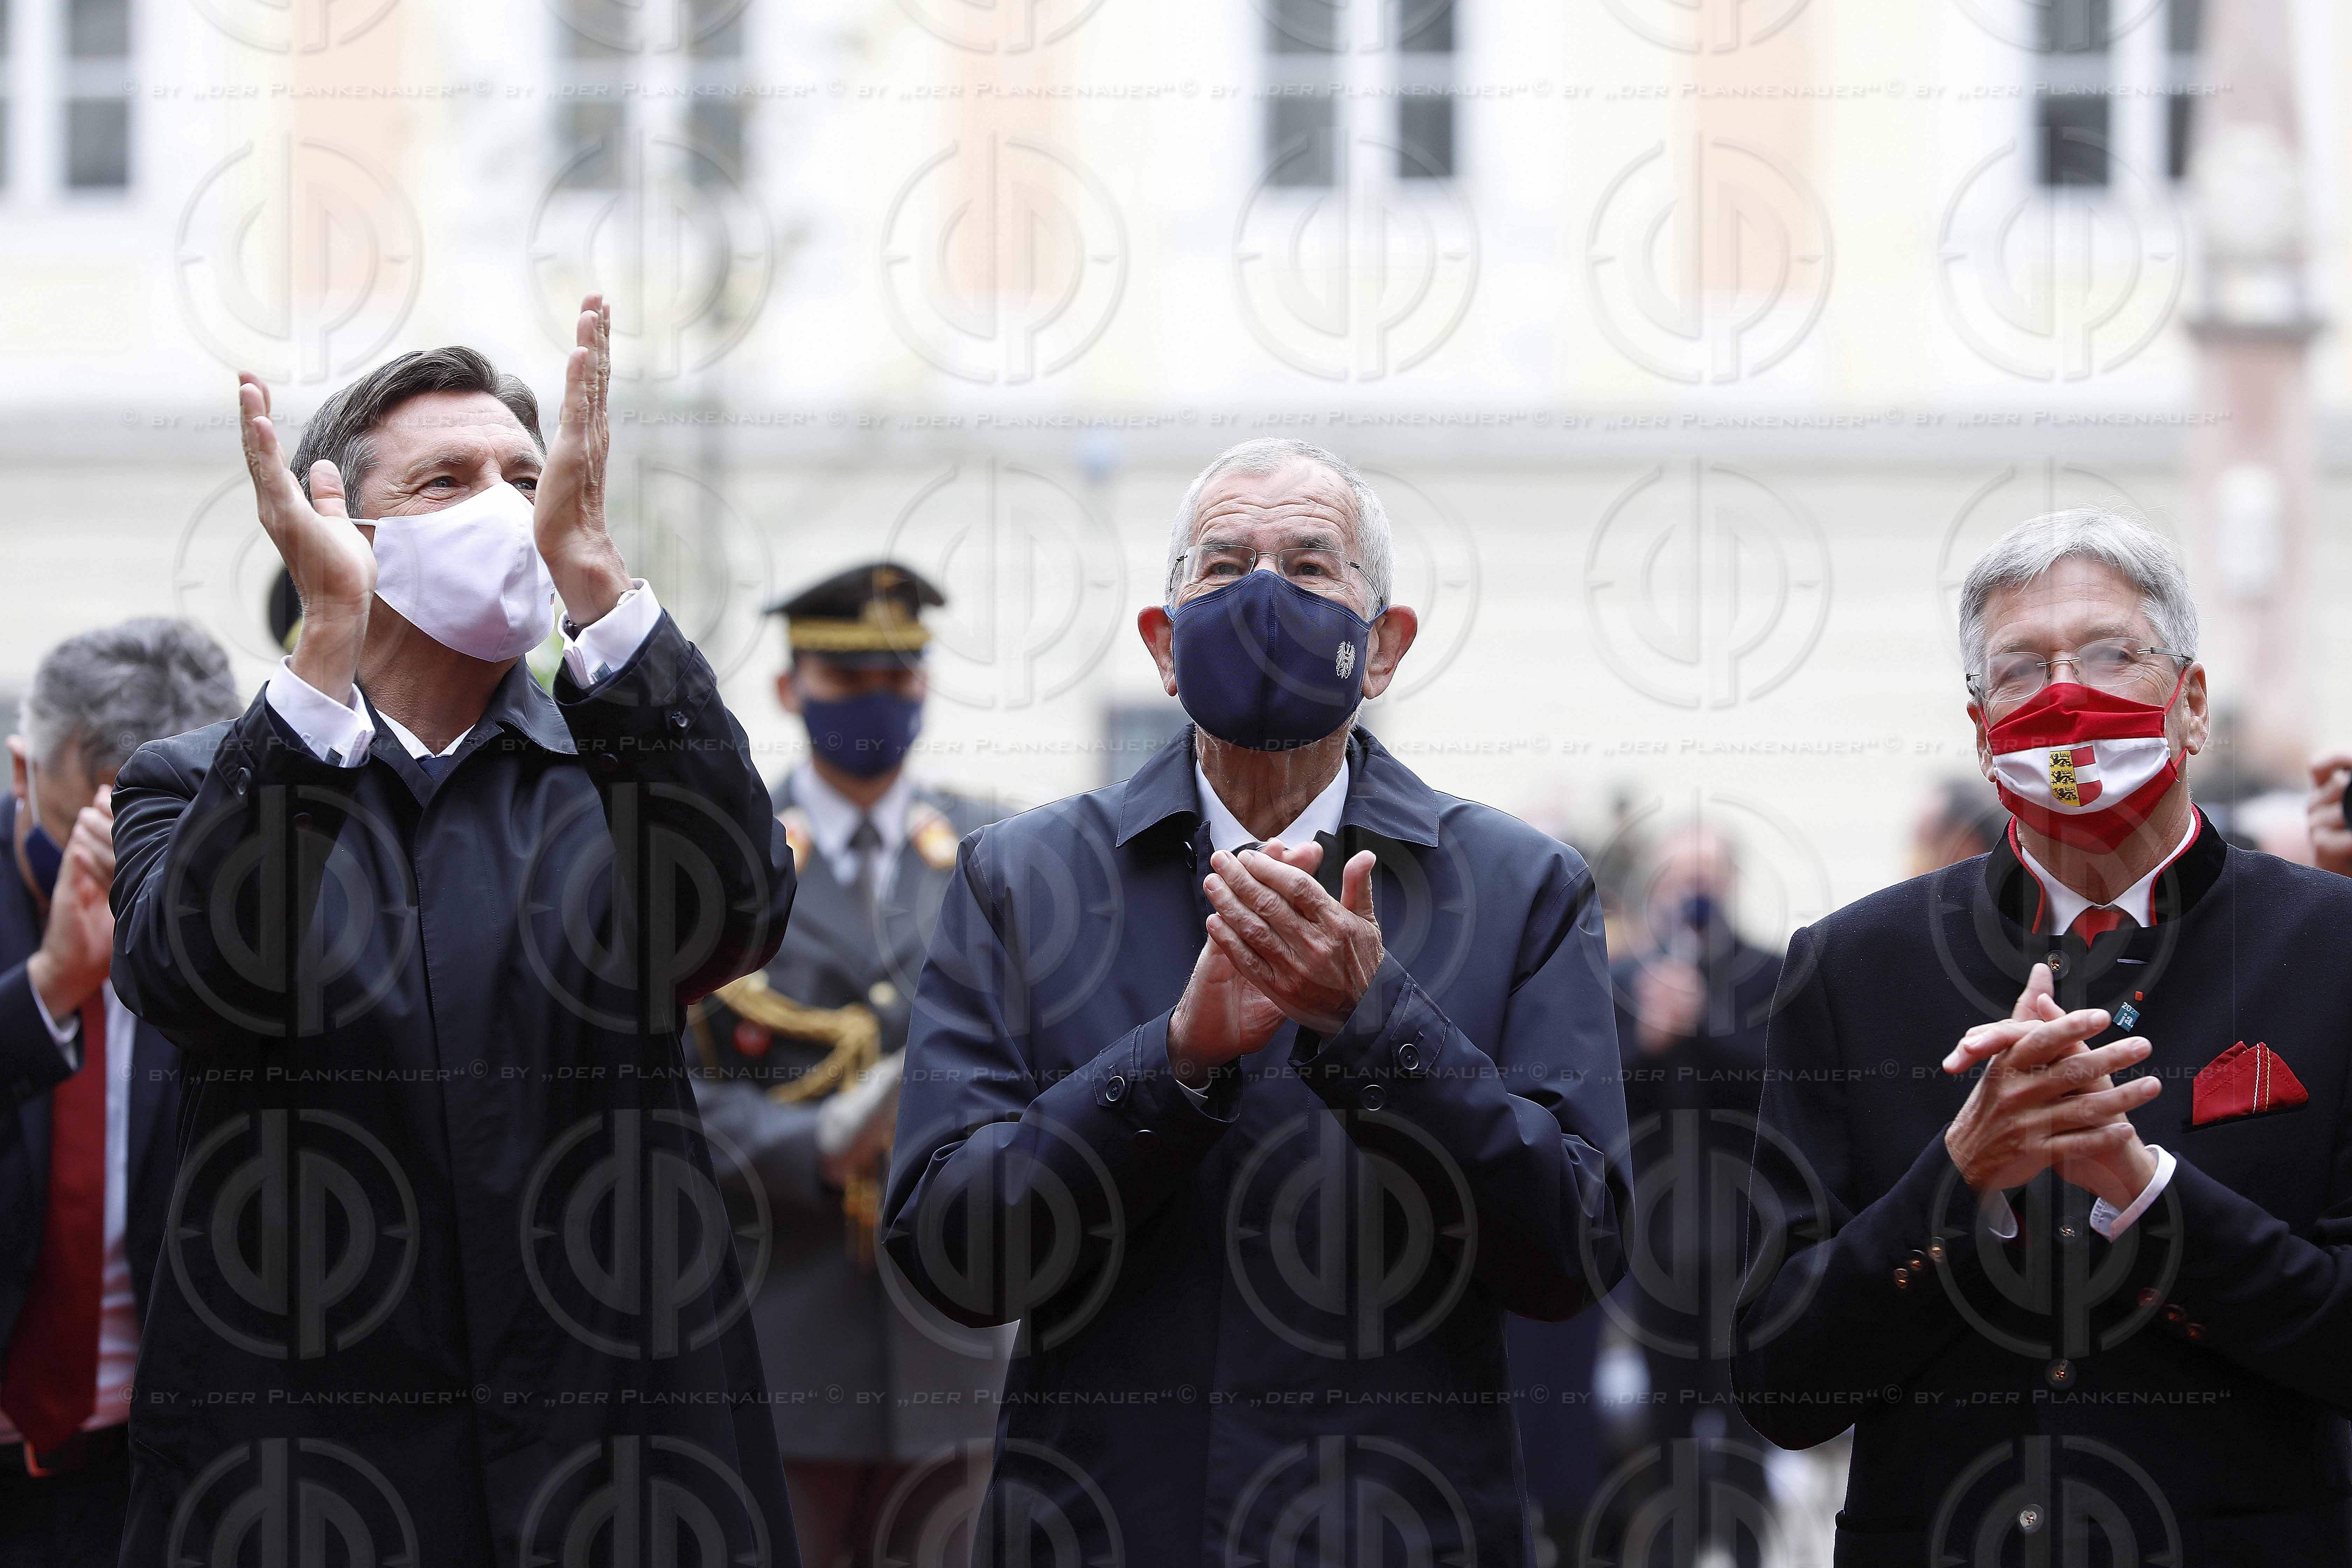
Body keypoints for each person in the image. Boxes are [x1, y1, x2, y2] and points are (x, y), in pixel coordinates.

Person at [107, 299, 800, 1566]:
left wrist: (595, 570)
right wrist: (326, 643)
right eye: (450, 480)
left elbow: (739, 912)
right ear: (344, 522)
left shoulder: (620, 770)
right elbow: (192, 976)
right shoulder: (199, 780)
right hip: (311, 1470)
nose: (507, 506)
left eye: (529, 479)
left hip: (614, 1458)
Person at [881, 437, 1629, 1567]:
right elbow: (953, 1254)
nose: (1267, 594)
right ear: (1164, 645)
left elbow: (1572, 1250)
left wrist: (1375, 1029)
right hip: (1107, 1527)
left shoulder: (1519, 887)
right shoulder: (1023, 882)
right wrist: (1174, 1064)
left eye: (1312, 565)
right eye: (1225, 569)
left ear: (1383, 649)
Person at [1735, 509, 2352, 1566]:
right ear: (1981, 734)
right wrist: (1961, 1178)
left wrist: (2147, 1194)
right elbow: (1783, 1384)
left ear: (2191, 705)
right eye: (2022, 670)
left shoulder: (2330, 948)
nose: (2067, 693)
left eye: (2112, 653)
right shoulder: (1854, 967)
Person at [689, 561, 1008, 1568]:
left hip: (954, 1349)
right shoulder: (717, 858)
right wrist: (814, 1144)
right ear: (791, 691)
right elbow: (666, 1089)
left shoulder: (999, 851)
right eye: (848, 679)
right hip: (781, 1339)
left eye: (900, 678)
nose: (879, 699)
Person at [0, 620, 237, 1565]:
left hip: (169, 1457)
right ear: (24, 773)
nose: (114, 877)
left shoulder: (237, 905)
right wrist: (50, 986)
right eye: (84, 834)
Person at [1592, 822, 1785, 1565]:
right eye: (1678, 875)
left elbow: (1777, 1086)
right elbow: (1603, 1097)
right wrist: (1653, 1037)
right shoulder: (1625, 975)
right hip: (1659, 1233)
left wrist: (1699, 1022)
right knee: (1665, 1409)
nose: (1692, 890)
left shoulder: (1769, 971)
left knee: (1747, 1410)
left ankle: (1743, 1550)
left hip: (1747, 1232)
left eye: (1705, 874)